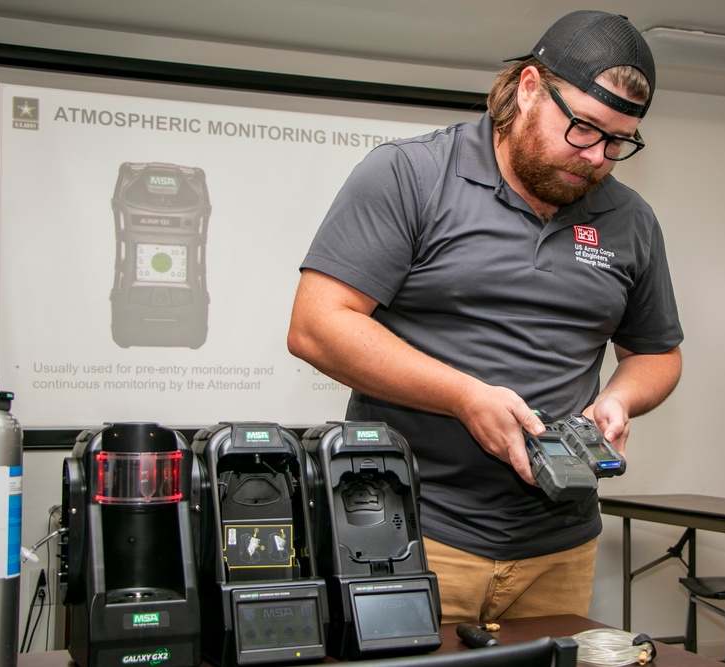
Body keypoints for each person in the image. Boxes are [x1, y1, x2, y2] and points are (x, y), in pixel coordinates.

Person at [287, 9, 683, 623]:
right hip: (409, 531)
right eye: (583, 128)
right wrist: (463, 396)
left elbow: (656, 353)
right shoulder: (410, 174)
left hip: (562, 545)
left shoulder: (631, 220)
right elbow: (317, 324)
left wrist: (622, 398)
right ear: (529, 88)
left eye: (618, 142)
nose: (597, 157)